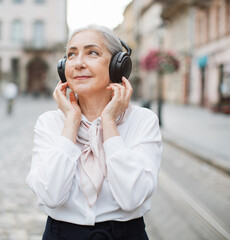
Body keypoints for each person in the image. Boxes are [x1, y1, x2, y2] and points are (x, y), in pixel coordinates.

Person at [26, 25, 162, 240]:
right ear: (63, 68)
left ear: (119, 66)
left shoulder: (142, 121)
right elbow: (51, 196)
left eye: (92, 53)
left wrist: (109, 123)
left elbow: (132, 198)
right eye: (71, 54)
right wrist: (71, 121)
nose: (79, 63)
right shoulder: (50, 123)